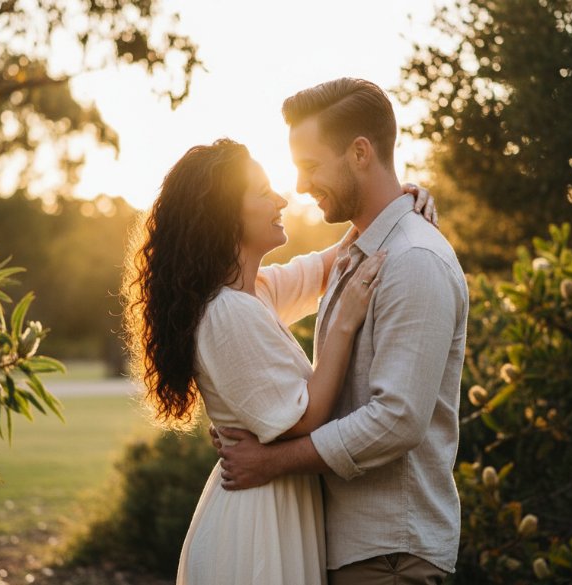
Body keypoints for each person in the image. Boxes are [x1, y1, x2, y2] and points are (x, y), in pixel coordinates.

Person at [122, 138, 436, 584]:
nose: (281, 199)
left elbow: (332, 264)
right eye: (264, 192)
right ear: (225, 213)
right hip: (258, 524)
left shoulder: (255, 292)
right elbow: (306, 417)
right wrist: (344, 322)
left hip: (273, 505)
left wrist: (397, 203)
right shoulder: (229, 312)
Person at [214, 78, 469, 584]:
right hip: (359, 548)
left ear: (359, 153)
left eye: (310, 167)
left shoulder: (414, 260)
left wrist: (272, 462)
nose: (301, 186)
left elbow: (397, 420)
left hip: (391, 554)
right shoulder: (362, 254)